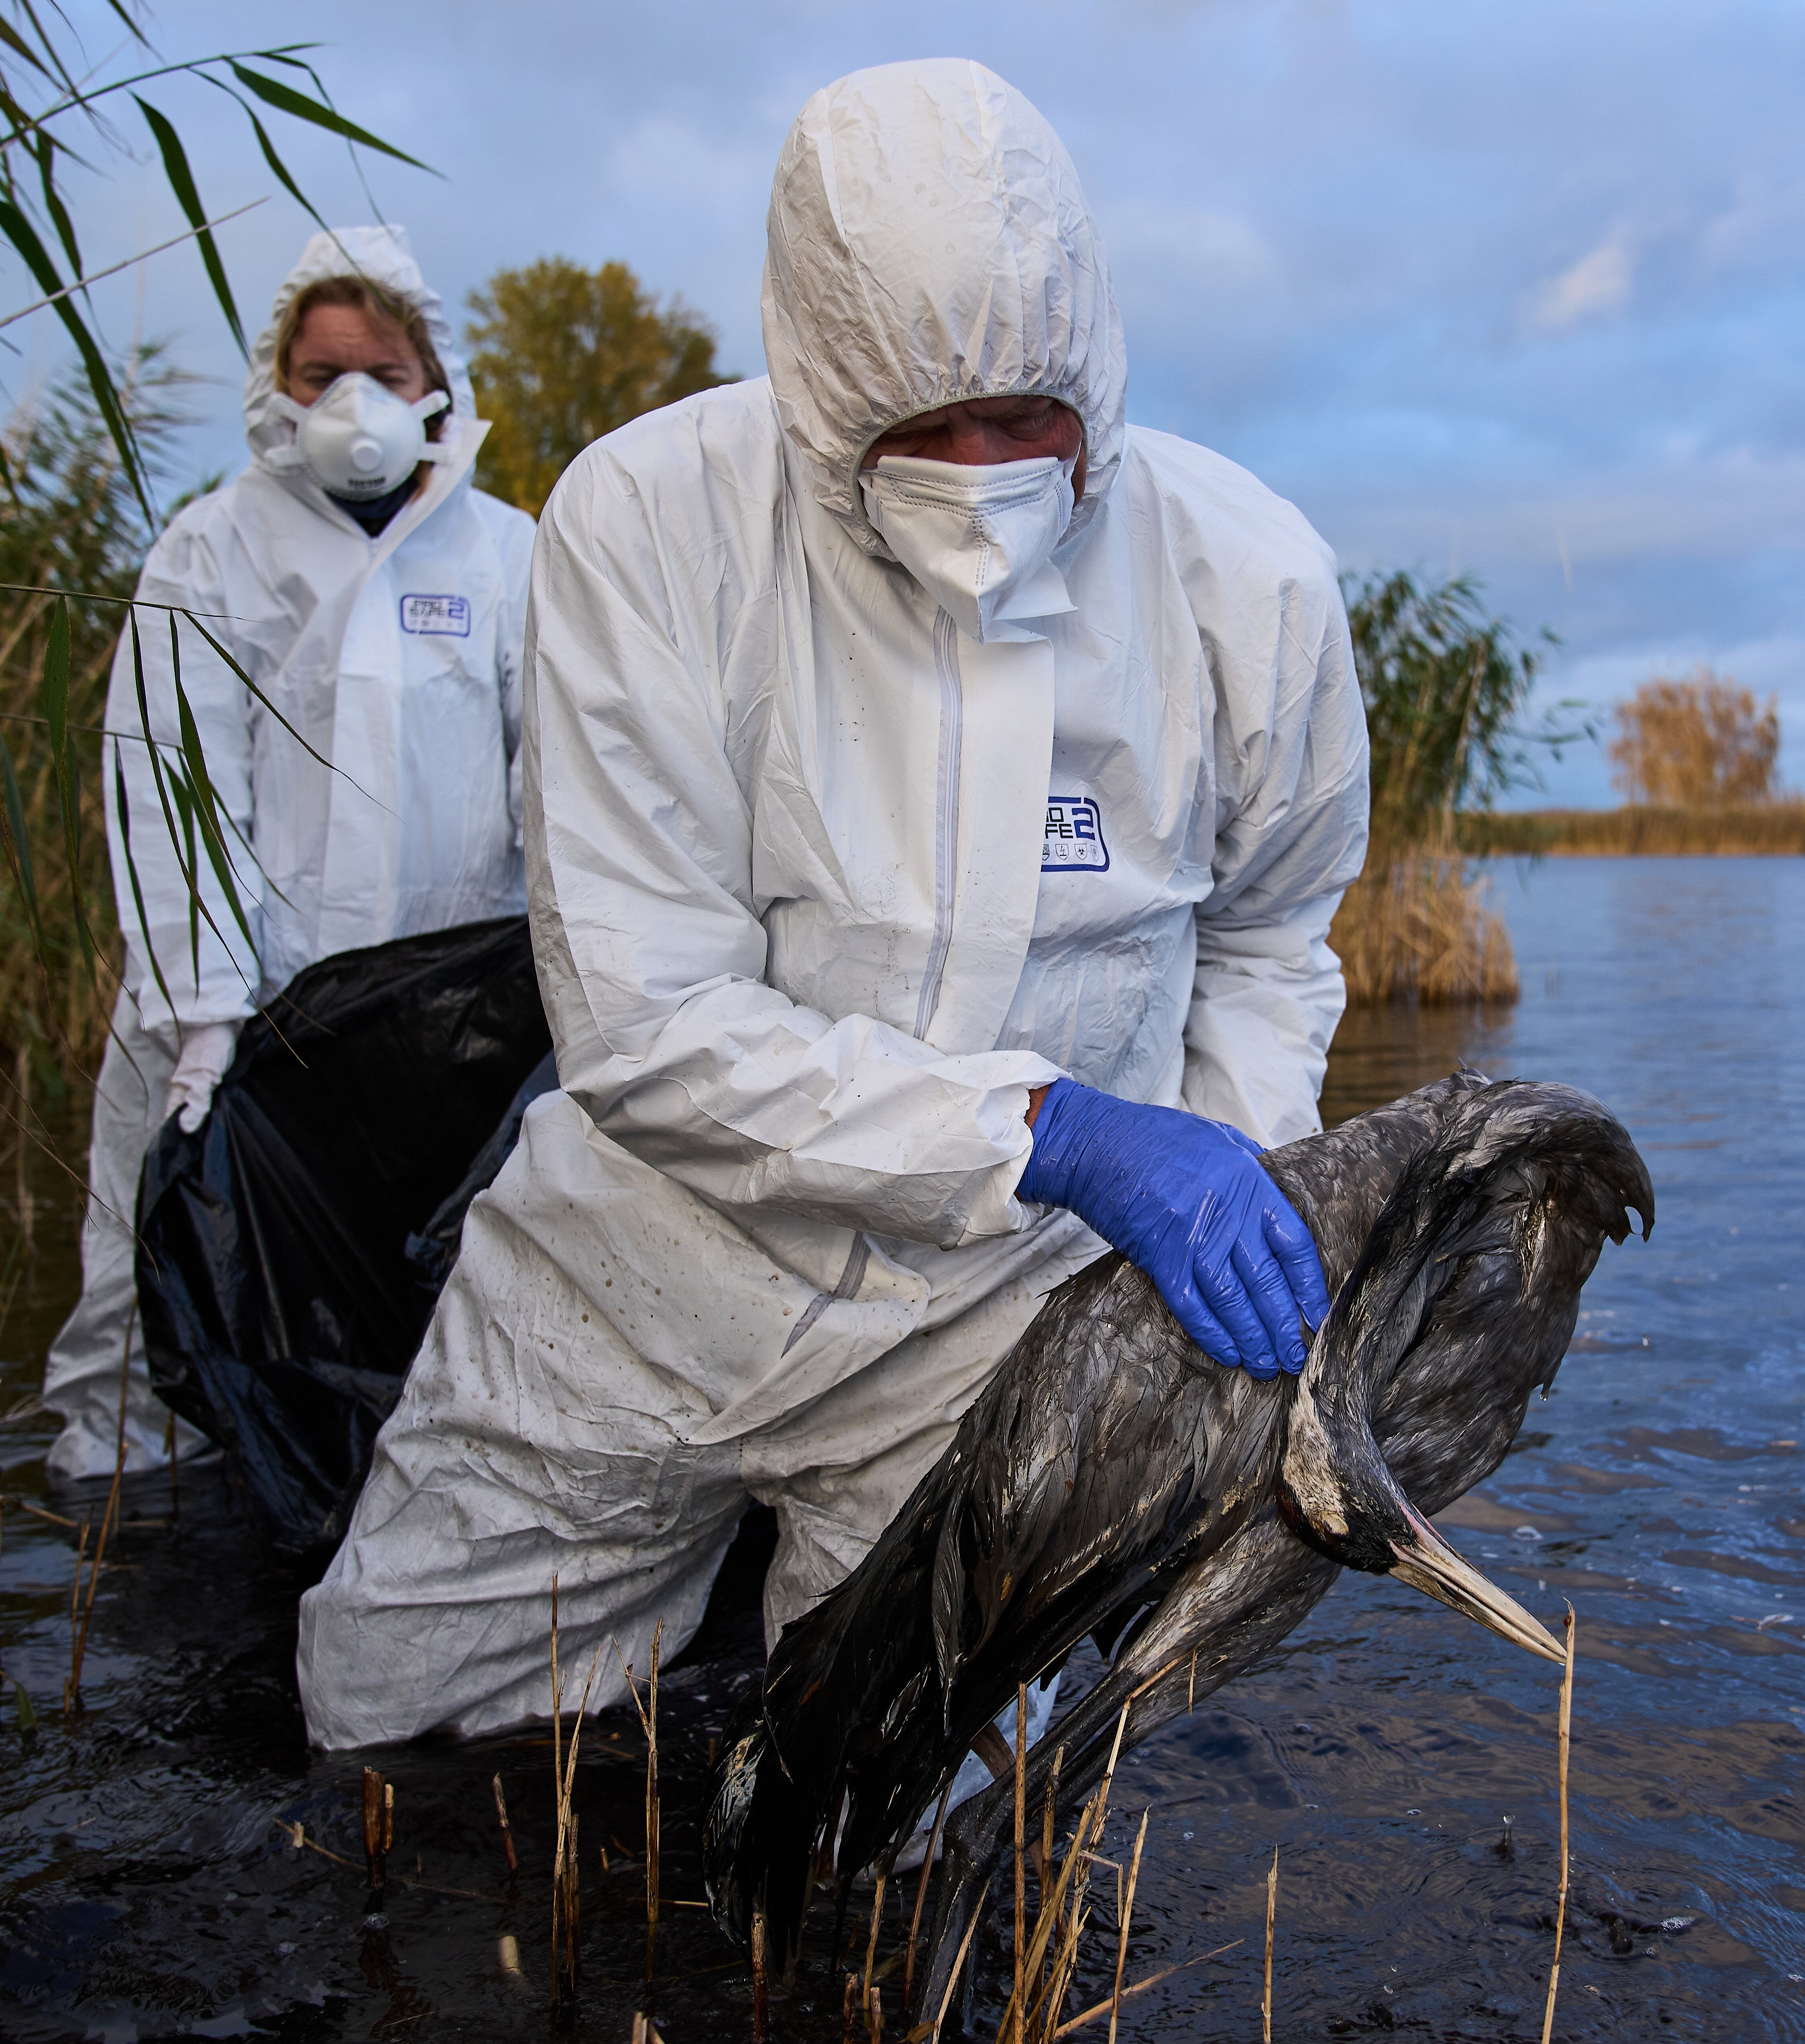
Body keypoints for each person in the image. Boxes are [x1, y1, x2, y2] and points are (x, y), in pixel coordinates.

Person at [296, 60, 1367, 1747]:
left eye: (1026, 418)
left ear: (1094, 357)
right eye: (918, 433)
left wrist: (1220, 1194)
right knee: (385, 1735)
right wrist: (1060, 1128)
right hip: (633, 1279)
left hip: (991, 1328)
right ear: (812, 390)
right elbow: (644, 1028)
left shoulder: (1249, 585)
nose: (981, 471)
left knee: (900, 1831)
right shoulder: (652, 524)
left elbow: (1265, 934)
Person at [40, 227, 539, 1481]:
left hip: (443, 1035)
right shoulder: (211, 550)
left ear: (434, 377)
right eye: (323, 373)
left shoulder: (508, 556)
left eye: (381, 365)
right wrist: (204, 1018)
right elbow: (168, 779)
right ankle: (144, 1536)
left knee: (429, 1313)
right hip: (248, 1018)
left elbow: (562, 782)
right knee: (164, 1301)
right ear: (278, 380)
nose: (354, 401)